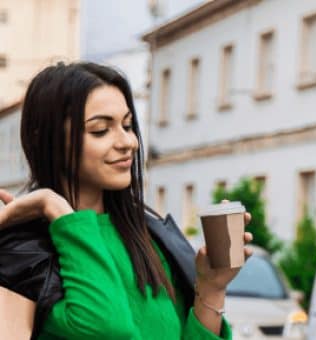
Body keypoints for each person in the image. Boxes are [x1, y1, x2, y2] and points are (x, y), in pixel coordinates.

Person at [0, 62, 253, 339]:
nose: (128, 142)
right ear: (47, 139)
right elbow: (107, 327)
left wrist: (213, 288)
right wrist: (57, 209)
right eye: (100, 130)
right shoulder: (21, 253)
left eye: (127, 125)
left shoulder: (150, 238)